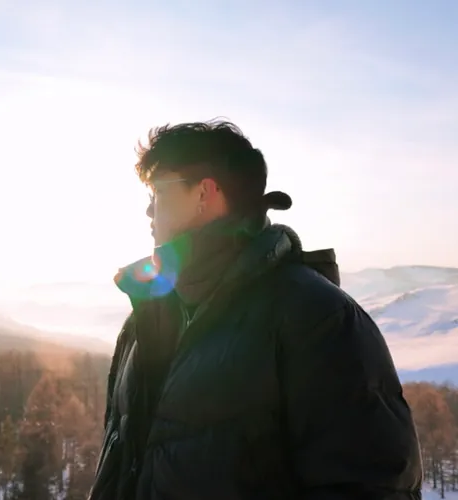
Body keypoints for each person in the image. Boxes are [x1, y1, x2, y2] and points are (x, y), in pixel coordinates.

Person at [88, 120, 422, 500]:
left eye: (158, 192)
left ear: (204, 193)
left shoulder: (316, 317)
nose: (149, 209)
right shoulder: (148, 315)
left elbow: (372, 485)